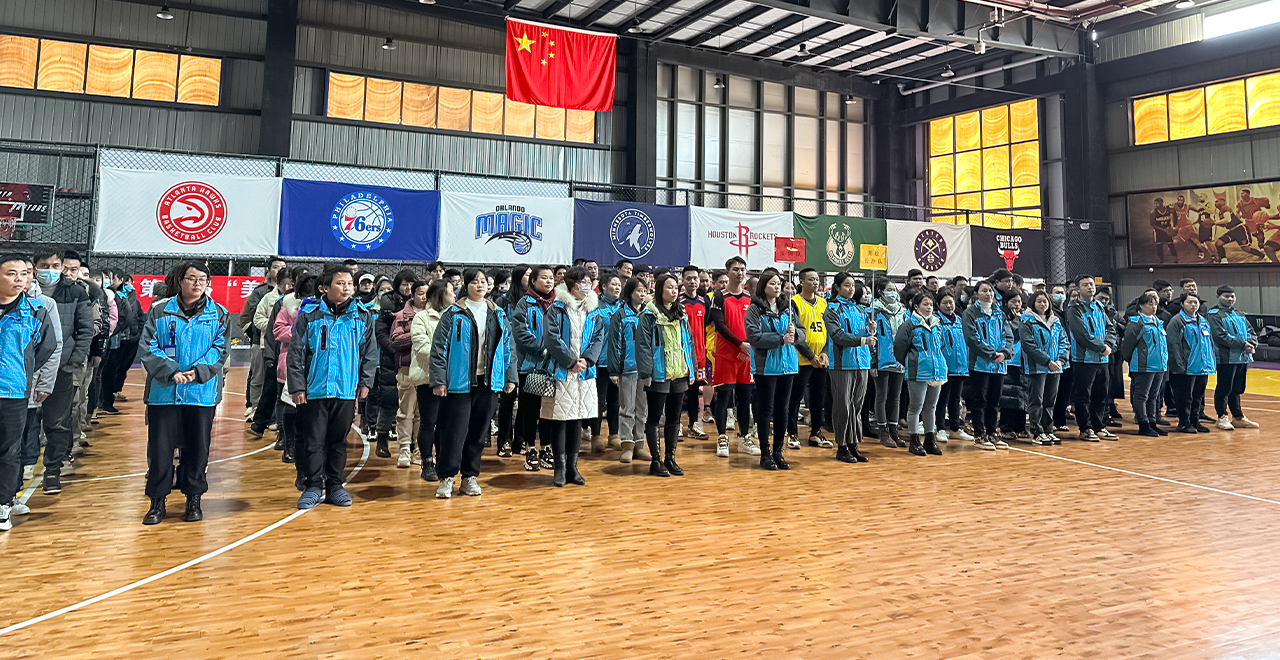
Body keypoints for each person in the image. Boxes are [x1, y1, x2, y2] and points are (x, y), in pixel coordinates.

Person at [137, 262, 230, 525]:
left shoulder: (219, 314)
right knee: (161, 450)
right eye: (192, 279)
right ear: (180, 281)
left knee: (198, 450)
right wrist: (170, 371)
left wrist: (198, 372)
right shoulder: (159, 311)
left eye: (203, 279)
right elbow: (149, 347)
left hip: (201, 393)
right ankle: (157, 501)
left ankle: (193, 499)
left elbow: (219, 349)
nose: (198, 284)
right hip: (164, 392)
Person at [287, 266, 378, 509]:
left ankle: (335, 485)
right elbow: (296, 354)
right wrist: (297, 386)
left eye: (350, 283)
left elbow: (369, 353)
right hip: (314, 389)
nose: (347, 287)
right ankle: (313, 486)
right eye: (340, 283)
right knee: (313, 441)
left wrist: (365, 382)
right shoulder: (309, 315)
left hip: (346, 390)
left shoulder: (362, 315)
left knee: (339, 441)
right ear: (324, 288)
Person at [430, 269, 515, 497]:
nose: (480, 285)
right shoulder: (453, 313)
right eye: (475, 282)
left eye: (483, 282)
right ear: (465, 286)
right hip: (458, 382)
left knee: (479, 432)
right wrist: (439, 379)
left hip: (488, 382)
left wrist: (510, 377)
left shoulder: (497, 313)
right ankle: (446, 477)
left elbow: (508, 347)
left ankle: (470, 477)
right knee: (453, 431)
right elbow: (439, 349)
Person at [0, 255, 59, 531]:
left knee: (9, 449)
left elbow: (45, 347)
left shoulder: (36, 311)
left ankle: (4, 502)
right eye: (12, 274)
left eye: (24, 274)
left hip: (13, 391)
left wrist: (22, 368)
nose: (19, 279)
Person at [31, 250, 93, 496]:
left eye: (55, 265)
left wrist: (73, 361)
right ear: (35, 267)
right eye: (44, 264)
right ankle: (23, 467)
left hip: (60, 368)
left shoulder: (75, 292)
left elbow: (85, 330)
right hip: (25, 370)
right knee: (27, 423)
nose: (51, 269)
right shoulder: (24, 292)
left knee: (57, 422)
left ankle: (52, 471)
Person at [538, 267, 604, 487]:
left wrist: (586, 359)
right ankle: (559, 467)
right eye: (582, 281)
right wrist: (570, 361)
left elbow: (598, 338)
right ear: (571, 285)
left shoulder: (594, 310)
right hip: (562, 371)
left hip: (585, 372)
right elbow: (551, 337)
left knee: (577, 418)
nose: (587, 285)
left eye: (589, 281)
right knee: (560, 419)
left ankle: (573, 467)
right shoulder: (557, 309)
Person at [636, 273, 697, 477]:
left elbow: (688, 344)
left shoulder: (682, 315)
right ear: (660, 290)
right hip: (658, 374)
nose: (674, 291)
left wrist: (692, 367)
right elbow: (643, 346)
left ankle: (670, 458)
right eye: (669, 287)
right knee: (654, 418)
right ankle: (656, 460)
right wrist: (646, 371)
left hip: (679, 372)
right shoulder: (649, 315)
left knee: (674, 418)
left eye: (675, 287)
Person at [745, 270, 807, 471]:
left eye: (779, 283)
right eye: (772, 283)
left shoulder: (788, 307)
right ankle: (765, 452)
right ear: (763, 286)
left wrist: (794, 333)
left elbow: (802, 333)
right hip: (766, 368)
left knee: (783, 409)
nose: (777, 286)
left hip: (788, 365)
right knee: (766, 409)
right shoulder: (755, 309)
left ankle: (778, 451)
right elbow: (754, 336)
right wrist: (780, 339)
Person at [710, 257, 759, 458]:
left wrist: (749, 345)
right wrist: (740, 344)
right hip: (726, 355)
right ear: (728, 272)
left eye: (742, 269)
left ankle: (744, 437)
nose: (740, 273)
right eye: (735, 269)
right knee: (724, 396)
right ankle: (722, 437)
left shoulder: (751, 298)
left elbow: (756, 325)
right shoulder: (719, 296)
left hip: (746, 357)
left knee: (745, 398)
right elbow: (720, 325)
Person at [511, 265, 557, 471]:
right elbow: (520, 333)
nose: (549, 281)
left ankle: (546, 446)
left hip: (554, 368)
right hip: (530, 366)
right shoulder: (525, 303)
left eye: (551, 278)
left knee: (549, 410)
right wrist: (543, 349)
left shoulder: (558, 304)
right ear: (533, 281)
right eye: (544, 278)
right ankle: (530, 448)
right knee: (530, 410)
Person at [823, 274, 873, 463]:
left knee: (856, 406)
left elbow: (864, 334)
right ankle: (841, 446)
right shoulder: (832, 309)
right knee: (843, 406)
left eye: (853, 285)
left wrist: (870, 331)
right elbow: (837, 336)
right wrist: (862, 340)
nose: (851, 289)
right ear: (837, 287)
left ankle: (854, 443)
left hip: (862, 362)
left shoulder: (860, 310)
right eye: (846, 285)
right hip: (842, 363)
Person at [961, 280, 1015, 450]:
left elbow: (1008, 336)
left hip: (999, 365)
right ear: (977, 293)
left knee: (995, 400)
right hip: (980, 365)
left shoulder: (1000, 313)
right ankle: (979, 434)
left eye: (990, 291)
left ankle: (992, 432)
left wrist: (1005, 353)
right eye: (984, 291)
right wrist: (990, 354)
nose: (988, 294)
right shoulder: (970, 313)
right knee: (980, 400)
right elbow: (972, 338)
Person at [1065, 274, 1118, 442]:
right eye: (1085, 284)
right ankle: (1085, 428)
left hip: (1102, 359)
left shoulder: (1100, 307)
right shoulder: (1075, 309)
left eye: (1091, 284)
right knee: (1084, 396)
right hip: (1084, 360)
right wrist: (1101, 347)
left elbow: (1111, 328)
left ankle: (1099, 426)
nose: (1090, 287)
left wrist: (1108, 345)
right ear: (1077, 288)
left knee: (1101, 395)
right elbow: (1082, 335)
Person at [408, 280, 453, 481]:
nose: (454, 295)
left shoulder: (455, 316)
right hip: (428, 378)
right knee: (429, 422)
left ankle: (444, 460)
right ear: (440, 295)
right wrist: (451, 359)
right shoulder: (421, 318)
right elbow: (423, 349)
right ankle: (427, 462)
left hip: (453, 379)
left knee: (447, 423)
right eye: (451, 291)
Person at [273, 273, 316, 469]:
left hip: (316, 363)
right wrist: (299, 332)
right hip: (292, 360)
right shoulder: (289, 306)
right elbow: (278, 331)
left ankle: (309, 444)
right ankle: (287, 440)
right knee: (289, 402)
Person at [787, 268, 831, 450]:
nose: (815, 282)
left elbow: (829, 330)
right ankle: (792, 433)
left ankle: (815, 432)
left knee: (817, 398)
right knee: (795, 398)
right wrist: (810, 355)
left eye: (817, 279)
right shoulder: (793, 302)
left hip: (820, 359)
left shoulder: (823, 303)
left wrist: (825, 352)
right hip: (801, 358)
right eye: (811, 279)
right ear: (801, 281)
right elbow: (795, 333)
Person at [1206, 285, 1259, 430]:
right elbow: (1220, 336)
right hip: (1225, 358)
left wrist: (1252, 343)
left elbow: (1251, 330)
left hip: (1242, 357)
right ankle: (1222, 416)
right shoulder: (1214, 315)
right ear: (1218, 297)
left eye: (1232, 296)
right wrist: (1243, 344)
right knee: (1224, 387)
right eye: (1226, 296)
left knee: (1237, 388)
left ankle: (1238, 416)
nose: (1230, 299)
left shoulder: (1239, 314)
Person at [609, 277, 649, 464]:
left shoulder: (649, 314)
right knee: (627, 408)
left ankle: (640, 444)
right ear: (630, 292)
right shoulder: (620, 315)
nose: (642, 294)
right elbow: (615, 344)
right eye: (638, 291)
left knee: (642, 409)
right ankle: (627, 444)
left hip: (645, 370)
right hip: (627, 369)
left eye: (644, 291)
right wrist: (614, 370)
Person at [388, 279, 428, 468]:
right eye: (420, 293)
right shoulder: (402, 315)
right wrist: (418, 333)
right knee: (405, 412)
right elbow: (395, 342)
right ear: (412, 295)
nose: (424, 296)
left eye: (427, 292)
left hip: (427, 370)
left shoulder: (434, 314)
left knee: (423, 413)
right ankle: (404, 448)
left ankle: (420, 449)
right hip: (406, 368)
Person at [1021, 291, 1069, 446]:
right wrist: (1047, 361)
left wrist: (1061, 360)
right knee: (1037, 400)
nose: (1042, 304)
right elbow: (1029, 345)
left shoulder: (1055, 321)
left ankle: (1048, 430)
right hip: (1037, 367)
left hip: (1055, 368)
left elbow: (1064, 341)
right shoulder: (1027, 320)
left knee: (1050, 400)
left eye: (1045, 301)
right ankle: (1037, 431)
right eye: (1039, 301)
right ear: (1032, 303)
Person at [241, 257, 286, 421]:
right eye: (276, 267)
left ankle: (275, 414)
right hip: (260, 341)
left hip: (284, 345)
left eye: (283, 267)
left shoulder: (293, 296)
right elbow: (252, 317)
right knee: (258, 377)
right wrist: (277, 325)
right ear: (268, 270)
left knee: (278, 379)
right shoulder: (261, 293)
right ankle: (254, 408)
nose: (280, 270)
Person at [249, 268, 292, 437]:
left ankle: (275, 423)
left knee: (284, 390)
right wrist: (276, 325)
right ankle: (260, 423)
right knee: (269, 386)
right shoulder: (272, 300)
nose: (288, 285)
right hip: (272, 348)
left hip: (288, 352)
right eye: (285, 282)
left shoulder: (300, 302)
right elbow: (256, 319)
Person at [1121, 291, 1170, 438]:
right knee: (1141, 396)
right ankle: (1143, 424)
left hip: (1159, 366)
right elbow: (1128, 345)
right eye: (1150, 303)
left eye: (1155, 303)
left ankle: (1152, 422)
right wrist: (1133, 360)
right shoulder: (1137, 322)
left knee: (1153, 396)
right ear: (1141, 305)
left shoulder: (1158, 322)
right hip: (1143, 366)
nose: (1154, 306)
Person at [493, 265, 530, 457]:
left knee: (525, 402)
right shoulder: (503, 301)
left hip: (528, 357)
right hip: (509, 356)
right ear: (518, 277)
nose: (530, 278)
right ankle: (504, 441)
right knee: (507, 401)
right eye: (527, 275)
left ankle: (520, 441)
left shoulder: (533, 301)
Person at [1166, 294, 1214, 434]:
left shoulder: (1203, 321)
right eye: (1190, 302)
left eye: (1196, 302)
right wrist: (1179, 365)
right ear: (1182, 304)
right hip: (1186, 367)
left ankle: (1195, 420)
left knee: (1198, 396)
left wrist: (1210, 362)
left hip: (1202, 367)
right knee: (1184, 397)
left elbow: (1209, 343)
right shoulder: (1177, 322)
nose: (1193, 305)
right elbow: (1173, 345)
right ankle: (1184, 422)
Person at [588, 272, 623, 453]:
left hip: (619, 363)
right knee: (598, 401)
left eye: (619, 285)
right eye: (613, 284)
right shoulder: (595, 306)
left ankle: (614, 435)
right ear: (603, 287)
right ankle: (595, 435)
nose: (617, 287)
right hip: (600, 362)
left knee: (615, 401)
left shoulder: (624, 307)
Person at [870, 278, 907, 449]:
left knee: (895, 396)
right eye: (889, 289)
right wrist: (873, 361)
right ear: (880, 292)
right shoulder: (873, 311)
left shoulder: (903, 311)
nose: (893, 292)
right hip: (881, 360)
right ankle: (883, 430)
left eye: (894, 289)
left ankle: (894, 430)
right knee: (881, 395)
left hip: (899, 359)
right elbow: (871, 337)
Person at [679, 266, 711, 442]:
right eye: (689, 278)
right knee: (677, 393)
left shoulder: (703, 301)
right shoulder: (678, 302)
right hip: (682, 355)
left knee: (693, 393)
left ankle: (693, 425)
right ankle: (675, 425)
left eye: (695, 278)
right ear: (682, 281)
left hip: (699, 356)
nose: (692, 281)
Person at [935, 292, 972, 442]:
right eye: (945, 303)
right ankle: (940, 428)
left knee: (955, 398)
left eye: (951, 302)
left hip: (960, 366)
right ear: (938, 305)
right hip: (944, 367)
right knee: (941, 399)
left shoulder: (960, 321)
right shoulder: (936, 321)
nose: (949, 306)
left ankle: (955, 429)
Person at [997, 293, 1028, 439]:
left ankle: (1020, 426)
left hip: (1024, 362)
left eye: (1019, 301)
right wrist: (1017, 321)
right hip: (1010, 362)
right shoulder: (1004, 318)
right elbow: (1012, 336)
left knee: (1022, 396)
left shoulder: (1025, 317)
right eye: (1013, 301)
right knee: (1009, 396)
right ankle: (1006, 426)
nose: (1017, 304)